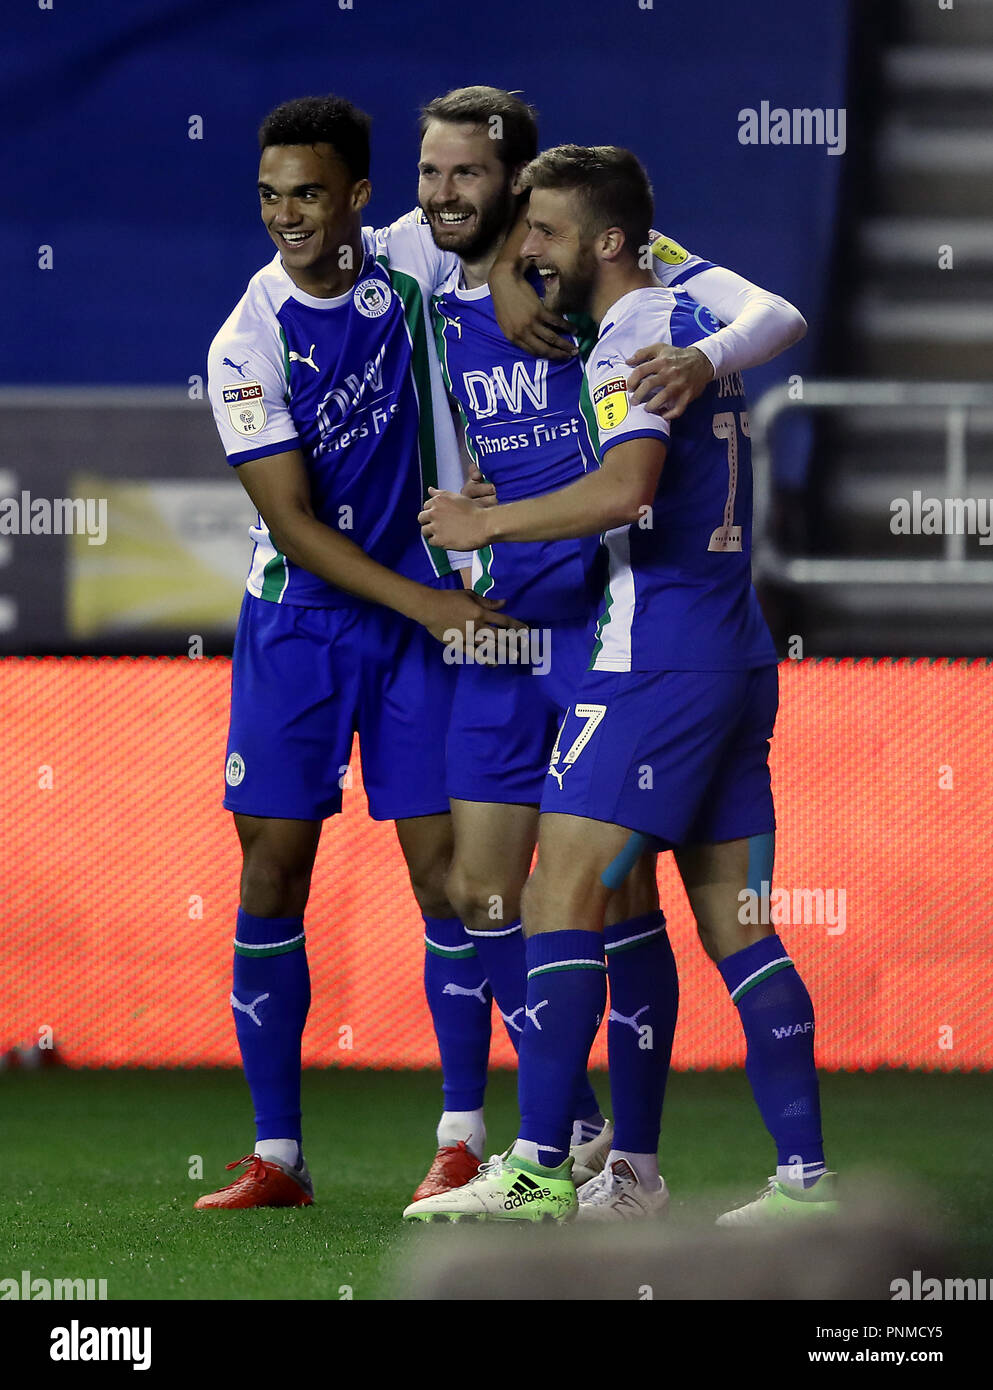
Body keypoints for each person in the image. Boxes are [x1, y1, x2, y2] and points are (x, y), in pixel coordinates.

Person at [409, 144, 835, 1225]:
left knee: (557, 894)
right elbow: (775, 318)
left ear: (603, 241)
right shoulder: (692, 315)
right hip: (737, 650)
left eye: (543, 230)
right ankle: (802, 1182)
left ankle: (543, 1169)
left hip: (656, 658)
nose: (527, 248)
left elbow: (623, 487)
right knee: (739, 923)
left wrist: (485, 519)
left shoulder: (634, 335)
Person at [196, 93, 518, 1209]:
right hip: (300, 626)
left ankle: (464, 1136)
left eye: (311, 194)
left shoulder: (412, 268)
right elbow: (296, 530)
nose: (288, 216)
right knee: (272, 871)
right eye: (272, 195)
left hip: (416, 626)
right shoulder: (244, 341)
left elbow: (509, 207)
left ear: (359, 198)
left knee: (452, 878)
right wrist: (431, 608)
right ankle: (277, 1159)